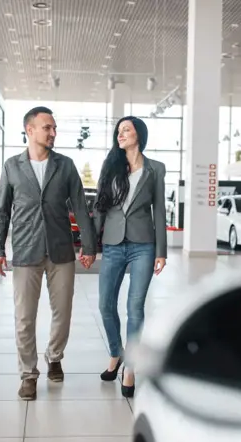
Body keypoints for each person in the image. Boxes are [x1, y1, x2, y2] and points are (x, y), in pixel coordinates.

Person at [0, 106, 97, 401]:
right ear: (30, 130)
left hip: (61, 249)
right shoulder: (12, 166)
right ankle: (28, 374)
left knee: (62, 312)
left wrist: (88, 247)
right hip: (26, 249)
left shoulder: (65, 165)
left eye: (54, 128)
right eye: (47, 127)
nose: (53, 133)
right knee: (24, 318)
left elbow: (80, 207)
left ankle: (54, 356)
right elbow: (1, 211)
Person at [93, 116, 167, 398]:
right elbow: (100, 206)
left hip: (143, 246)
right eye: (118, 130)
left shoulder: (155, 169)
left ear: (139, 134)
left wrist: (161, 251)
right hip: (112, 243)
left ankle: (131, 368)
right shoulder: (110, 165)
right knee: (105, 305)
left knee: (135, 307)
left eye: (126, 129)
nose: (120, 134)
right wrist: (90, 243)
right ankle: (116, 353)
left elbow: (158, 210)